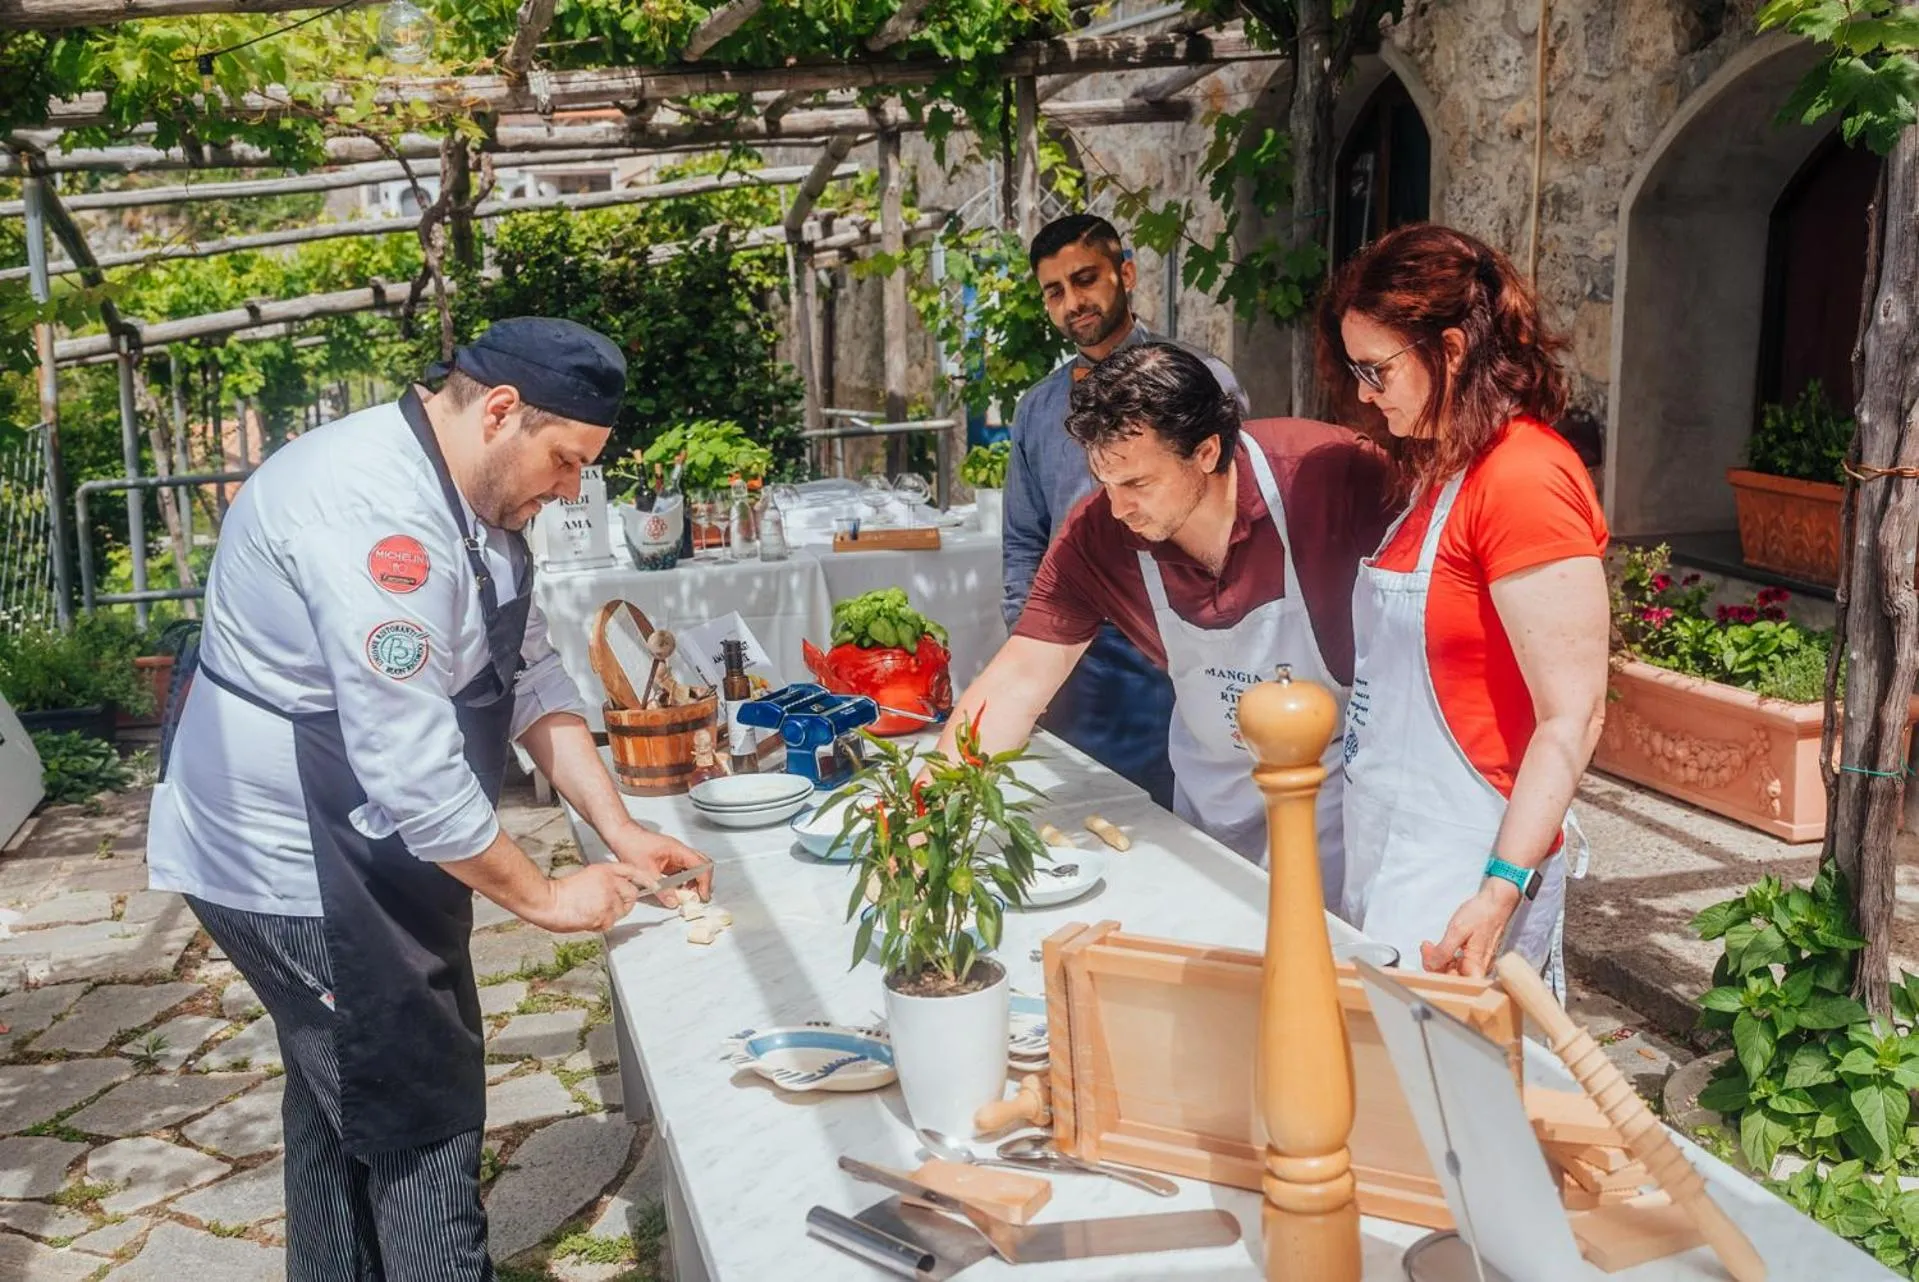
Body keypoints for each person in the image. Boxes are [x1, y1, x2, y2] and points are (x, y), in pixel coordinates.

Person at [147, 318, 712, 1280]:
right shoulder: (375, 514)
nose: (573, 488)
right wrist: (542, 897)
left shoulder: (478, 500)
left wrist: (616, 827)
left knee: (344, 1100)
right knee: (417, 1106)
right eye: (567, 460)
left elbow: (529, 676)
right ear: (500, 411)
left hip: (371, 847)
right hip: (294, 860)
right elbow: (411, 770)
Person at [943, 341, 1394, 885]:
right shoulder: (1100, 535)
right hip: (1214, 803)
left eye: (1137, 483)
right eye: (1104, 483)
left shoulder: (1331, 476)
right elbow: (1019, 677)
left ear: (1206, 451)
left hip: (1335, 800)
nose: (1118, 507)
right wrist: (932, 811)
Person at [1318, 224, 1609, 990]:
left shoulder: (1523, 479)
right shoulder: (1440, 470)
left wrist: (1497, 888)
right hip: (1387, 836)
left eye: (1375, 370)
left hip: (1468, 857)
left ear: (1449, 350)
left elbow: (1571, 718)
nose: (1362, 394)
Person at [1002, 214, 1248, 810]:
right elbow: (1022, 544)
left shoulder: (1202, 381)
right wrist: (1031, 638)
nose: (1073, 303)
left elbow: (1242, 510)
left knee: (1193, 819)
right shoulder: (1037, 410)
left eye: (1085, 279)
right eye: (1055, 292)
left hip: (1182, 644)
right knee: (1080, 816)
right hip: (1082, 655)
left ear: (1126, 273)